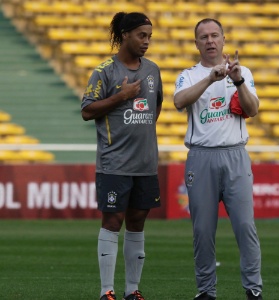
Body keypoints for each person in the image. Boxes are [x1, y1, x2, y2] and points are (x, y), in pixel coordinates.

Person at [173, 18, 262, 300]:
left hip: (235, 155)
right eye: (204, 37)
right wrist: (210, 77)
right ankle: (206, 291)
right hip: (201, 157)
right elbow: (178, 101)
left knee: (245, 226)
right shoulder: (188, 75)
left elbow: (252, 109)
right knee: (202, 230)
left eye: (214, 35)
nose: (210, 41)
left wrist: (237, 81)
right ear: (196, 43)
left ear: (223, 39)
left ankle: (253, 288)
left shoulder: (242, 71)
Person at [81, 12, 163, 300]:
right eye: (142, 35)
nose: (147, 41)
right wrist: (122, 96)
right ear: (125, 34)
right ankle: (106, 291)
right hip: (114, 163)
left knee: (138, 221)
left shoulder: (153, 71)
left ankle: (132, 291)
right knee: (113, 221)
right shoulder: (104, 71)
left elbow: (156, 109)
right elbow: (87, 111)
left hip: (145, 163)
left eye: (150, 36)